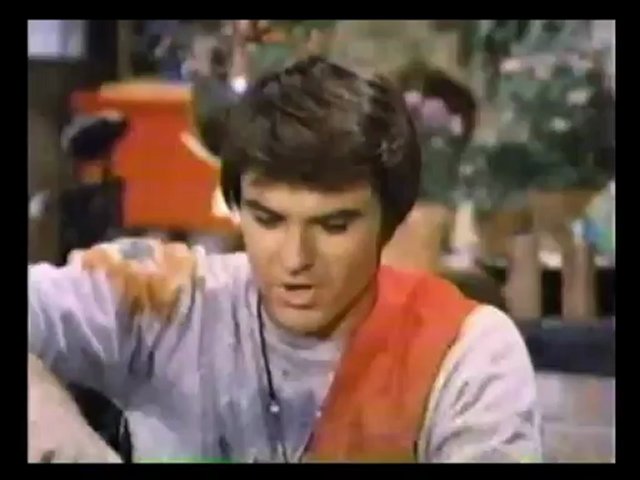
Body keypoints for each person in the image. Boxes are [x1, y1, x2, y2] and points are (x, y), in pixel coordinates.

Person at [28, 56, 541, 463]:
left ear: (390, 219)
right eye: (268, 219)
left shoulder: (465, 353)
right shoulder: (163, 300)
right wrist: (62, 440)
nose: (295, 259)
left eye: (334, 225)